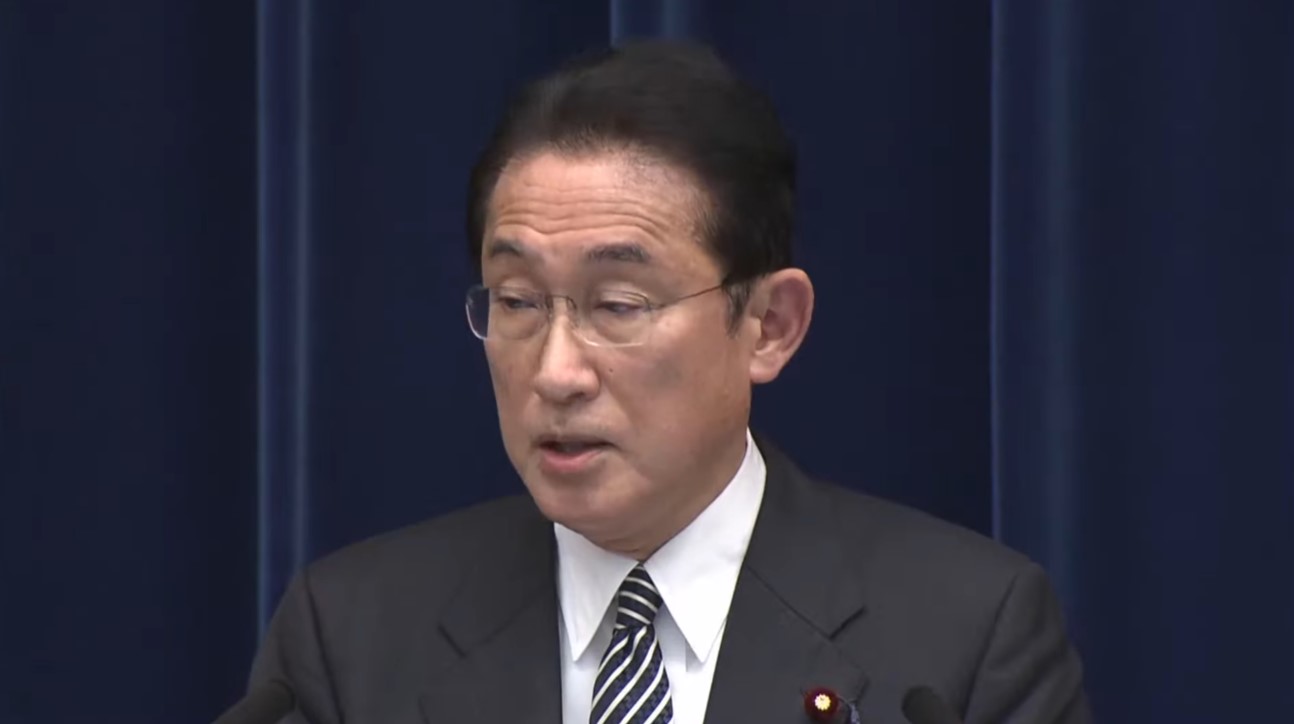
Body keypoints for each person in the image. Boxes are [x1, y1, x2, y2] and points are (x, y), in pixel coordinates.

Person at [248, 39, 1092, 724]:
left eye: (619, 305)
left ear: (770, 325)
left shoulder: (964, 641)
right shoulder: (350, 638)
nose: (556, 371)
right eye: (518, 301)